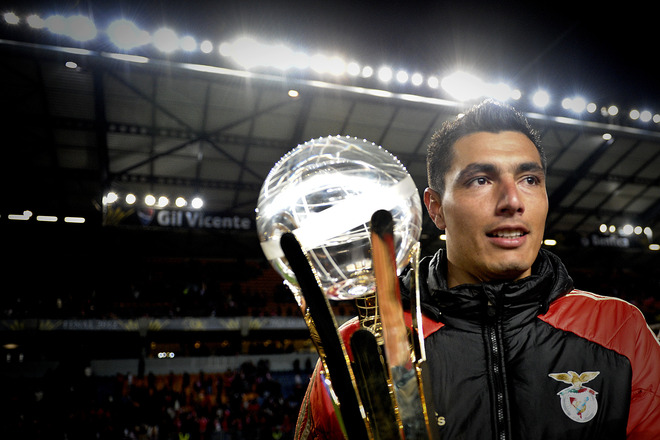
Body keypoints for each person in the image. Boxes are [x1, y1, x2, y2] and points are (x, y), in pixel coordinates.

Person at [294, 100, 660, 439]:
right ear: (435, 208)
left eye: (529, 179)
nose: (512, 201)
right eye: (480, 180)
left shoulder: (618, 330)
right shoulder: (359, 347)